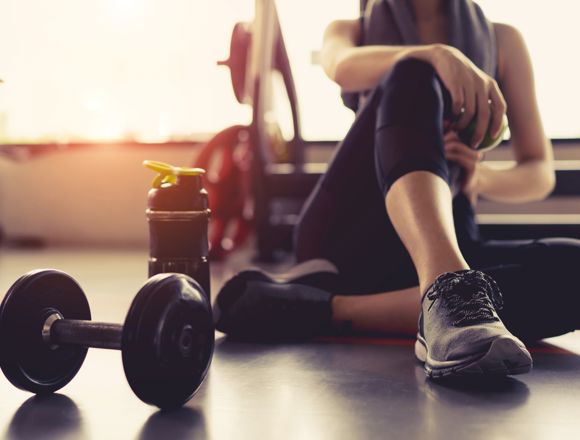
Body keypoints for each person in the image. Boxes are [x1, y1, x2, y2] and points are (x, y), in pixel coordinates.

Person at [213, 0, 580, 379]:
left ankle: (331, 309)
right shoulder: (349, 30)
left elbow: (539, 170)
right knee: (414, 71)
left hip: (452, 234)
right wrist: (436, 56)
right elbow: (339, 66)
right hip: (351, 236)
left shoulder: (504, 40)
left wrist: (479, 179)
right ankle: (446, 290)